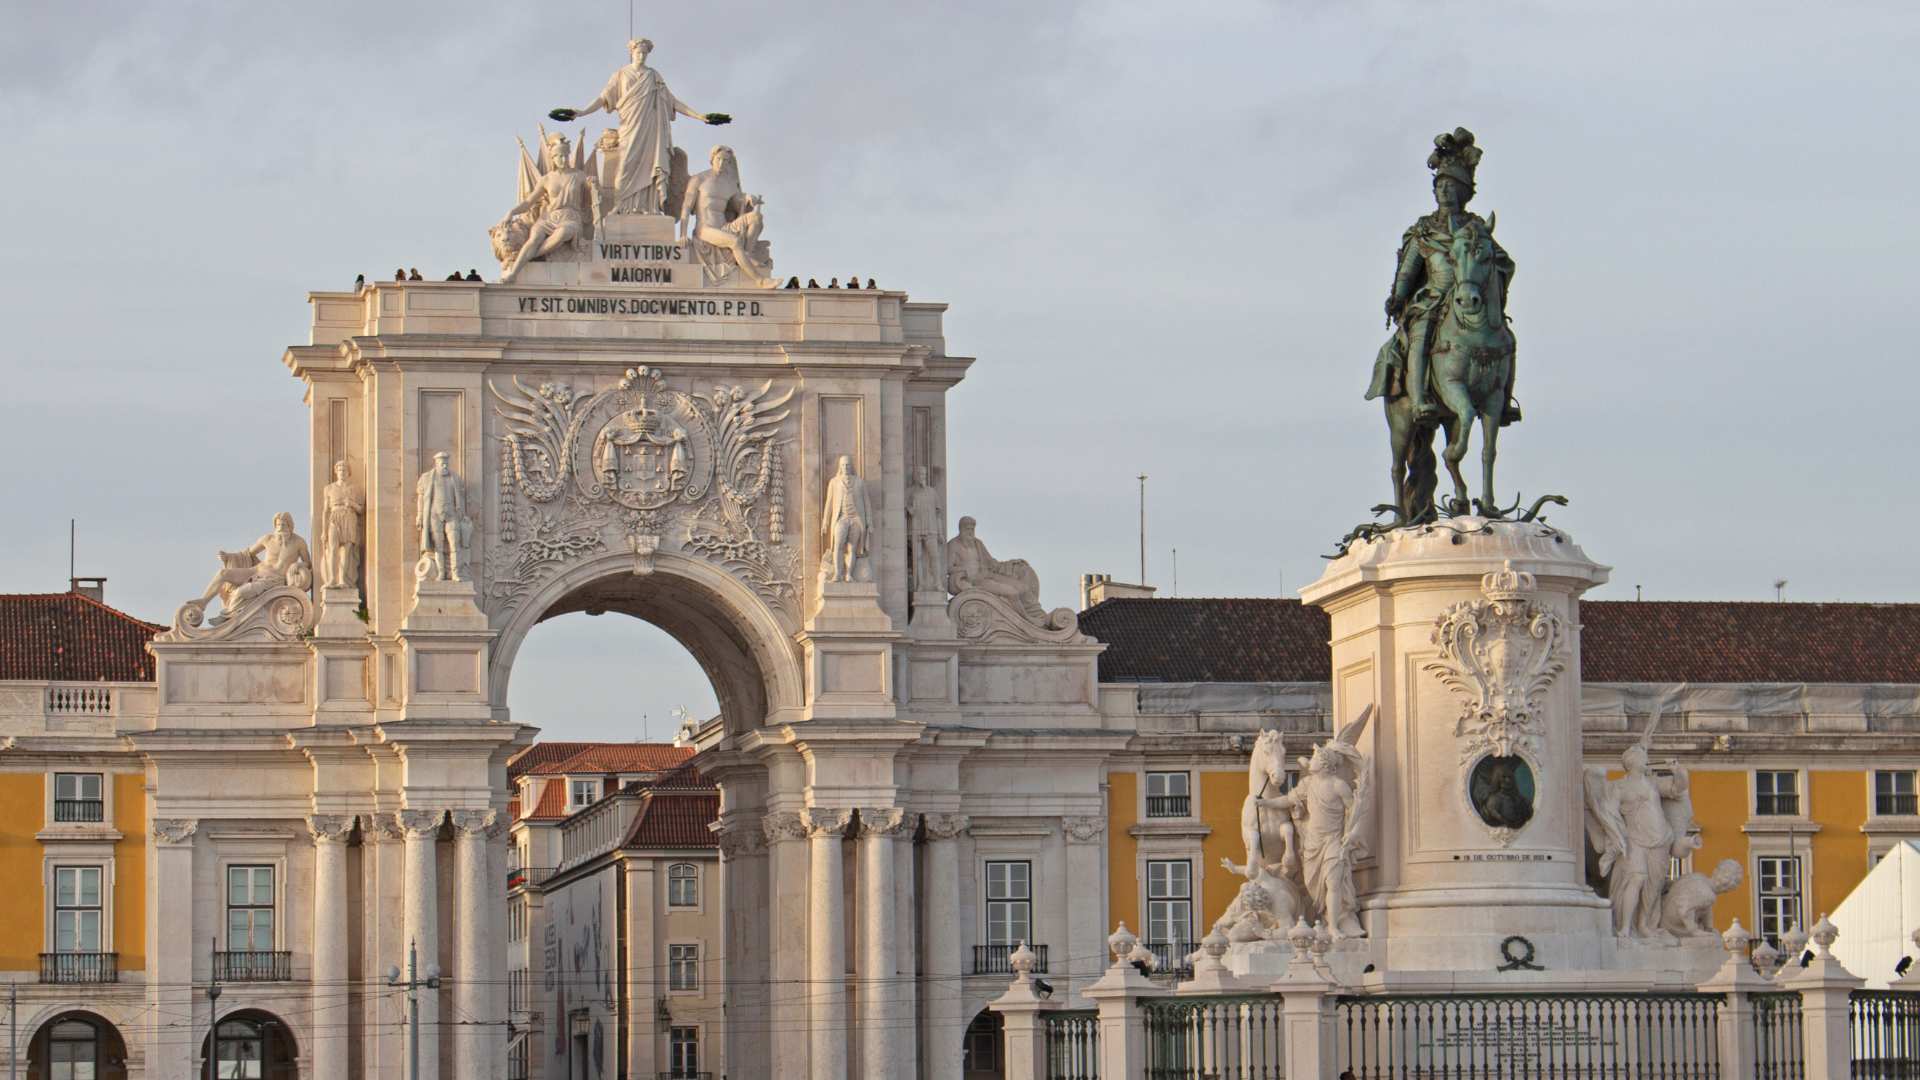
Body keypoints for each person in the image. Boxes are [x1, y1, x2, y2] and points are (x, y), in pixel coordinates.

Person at [1366, 128, 1518, 423]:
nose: (1444, 191)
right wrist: (1397, 296)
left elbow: (1504, 262)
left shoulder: (1476, 229)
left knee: (1506, 339)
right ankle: (1421, 400)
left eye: (1451, 185)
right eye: (1440, 186)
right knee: (1421, 334)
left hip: (1470, 303)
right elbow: (1409, 270)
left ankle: (1504, 399)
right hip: (1433, 301)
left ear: (1462, 190)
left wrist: (1493, 281)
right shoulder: (1423, 229)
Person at [564, 38, 726, 215]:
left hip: (651, 131)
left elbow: (672, 102)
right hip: (629, 129)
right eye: (638, 52)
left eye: (644, 53)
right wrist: (582, 112)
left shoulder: (653, 76)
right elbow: (603, 98)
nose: (641, 56)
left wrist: (700, 116)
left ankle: (650, 207)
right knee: (625, 168)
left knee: (651, 168)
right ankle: (621, 206)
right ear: (631, 53)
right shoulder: (620, 75)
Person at [498, 132, 598, 283]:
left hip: (570, 218)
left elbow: (594, 194)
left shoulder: (579, 176)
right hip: (549, 218)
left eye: (565, 155)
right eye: (559, 156)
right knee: (534, 238)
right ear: (552, 158)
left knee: (562, 233)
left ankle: (532, 256)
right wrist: (511, 212)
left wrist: (594, 184)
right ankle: (514, 273)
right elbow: (528, 203)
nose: (563, 159)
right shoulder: (546, 179)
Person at [679, 146, 773, 286]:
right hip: (705, 229)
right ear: (712, 159)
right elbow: (686, 207)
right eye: (719, 159)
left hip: (724, 227)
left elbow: (737, 203)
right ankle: (760, 280)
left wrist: (748, 198)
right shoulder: (699, 179)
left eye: (726, 161)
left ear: (730, 163)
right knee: (734, 241)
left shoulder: (730, 183)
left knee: (756, 218)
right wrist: (682, 233)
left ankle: (746, 253)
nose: (722, 163)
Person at [195, 512, 312, 623]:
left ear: (290, 525)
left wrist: (298, 564)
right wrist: (228, 556)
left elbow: (308, 562)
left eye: (283, 524)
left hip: (274, 579)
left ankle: (227, 618)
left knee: (240, 593)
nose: (280, 527)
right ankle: (203, 602)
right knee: (223, 573)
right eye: (278, 524)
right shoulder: (267, 539)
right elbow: (247, 554)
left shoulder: (299, 542)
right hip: (257, 570)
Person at [945, 516, 1047, 623]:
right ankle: (1026, 621)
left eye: (972, 529)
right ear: (961, 529)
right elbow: (948, 568)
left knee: (1022, 587)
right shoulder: (953, 545)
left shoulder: (977, 543)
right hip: (974, 582)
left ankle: (1037, 615)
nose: (970, 532)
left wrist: (1011, 563)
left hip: (987, 575)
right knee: (1012, 593)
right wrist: (965, 570)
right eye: (968, 529)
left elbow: (991, 562)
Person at [416, 452, 470, 581]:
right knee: (438, 546)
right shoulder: (427, 477)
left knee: (455, 545)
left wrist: (462, 513)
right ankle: (441, 573)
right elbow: (421, 498)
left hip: (452, 515)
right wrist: (420, 515)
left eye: (446, 463)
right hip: (435, 515)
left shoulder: (455, 478)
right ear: (436, 464)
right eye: (442, 463)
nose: (445, 466)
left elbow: (461, 498)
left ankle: (455, 573)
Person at [820, 456, 872, 583]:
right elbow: (829, 503)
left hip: (856, 518)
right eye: (843, 465)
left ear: (851, 466)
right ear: (840, 467)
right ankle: (838, 574)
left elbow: (867, 503)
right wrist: (825, 521)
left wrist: (870, 522)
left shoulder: (859, 482)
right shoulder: (834, 482)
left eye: (848, 465)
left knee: (852, 548)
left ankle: (849, 574)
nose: (845, 467)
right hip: (841, 517)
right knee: (838, 545)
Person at [321, 460, 365, 590]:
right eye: (340, 470)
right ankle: (331, 579)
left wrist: (351, 503)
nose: (342, 472)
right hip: (334, 518)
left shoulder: (355, 489)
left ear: (348, 473)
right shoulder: (329, 488)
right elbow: (325, 511)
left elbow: (361, 510)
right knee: (333, 549)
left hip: (349, 517)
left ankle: (342, 579)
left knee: (346, 551)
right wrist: (323, 531)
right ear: (336, 472)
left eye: (344, 470)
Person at [905, 465, 944, 592]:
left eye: (923, 474)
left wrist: (940, 533)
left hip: (931, 529)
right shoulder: (910, 492)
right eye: (919, 474)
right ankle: (920, 584)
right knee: (917, 558)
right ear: (915, 477)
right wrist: (910, 509)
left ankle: (937, 583)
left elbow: (938, 514)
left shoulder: (932, 492)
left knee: (934, 557)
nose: (922, 476)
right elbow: (907, 509)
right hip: (916, 529)